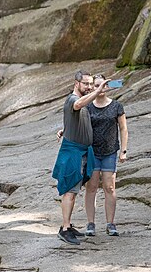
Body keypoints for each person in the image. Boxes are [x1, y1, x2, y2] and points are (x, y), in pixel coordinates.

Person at [52, 71, 108, 245]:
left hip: (83, 151)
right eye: (86, 84)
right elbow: (77, 105)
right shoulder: (72, 100)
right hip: (73, 153)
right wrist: (97, 92)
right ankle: (65, 228)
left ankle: (68, 225)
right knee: (69, 191)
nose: (89, 87)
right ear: (76, 83)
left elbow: (75, 119)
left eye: (91, 84)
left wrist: (64, 129)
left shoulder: (84, 102)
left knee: (74, 191)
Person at [84, 74, 128, 237]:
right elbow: (79, 126)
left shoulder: (116, 106)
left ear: (108, 86)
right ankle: (91, 223)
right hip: (93, 152)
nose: (100, 88)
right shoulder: (88, 107)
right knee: (92, 187)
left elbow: (123, 128)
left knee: (109, 187)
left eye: (102, 85)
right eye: (96, 86)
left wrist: (123, 150)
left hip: (110, 151)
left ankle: (110, 223)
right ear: (92, 88)